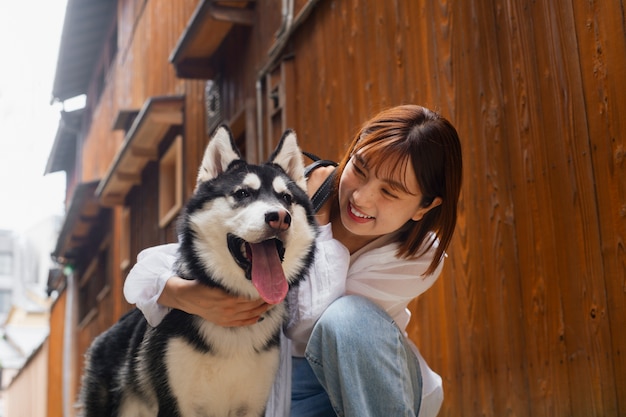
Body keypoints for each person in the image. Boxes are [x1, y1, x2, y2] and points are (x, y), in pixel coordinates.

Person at [124, 104, 463, 417]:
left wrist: (308, 220)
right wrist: (185, 295)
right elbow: (148, 271)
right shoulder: (284, 198)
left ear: (425, 206)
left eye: (389, 192)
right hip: (281, 382)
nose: (361, 197)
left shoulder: (418, 257)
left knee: (348, 319)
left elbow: (312, 321)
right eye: (359, 169)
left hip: (367, 385)